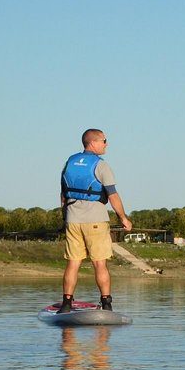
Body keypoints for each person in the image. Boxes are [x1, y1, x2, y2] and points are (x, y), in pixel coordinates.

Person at [58, 129, 132, 313]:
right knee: (100, 263)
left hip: (73, 220)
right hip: (96, 221)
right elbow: (113, 196)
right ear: (93, 142)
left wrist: (65, 217)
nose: (106, 144)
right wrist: (123, 218)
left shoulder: (70, 162)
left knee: (73, 263)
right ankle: (106, 304)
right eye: (104, 141)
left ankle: (66, 304)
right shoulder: (101, 165)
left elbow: (63, 195)